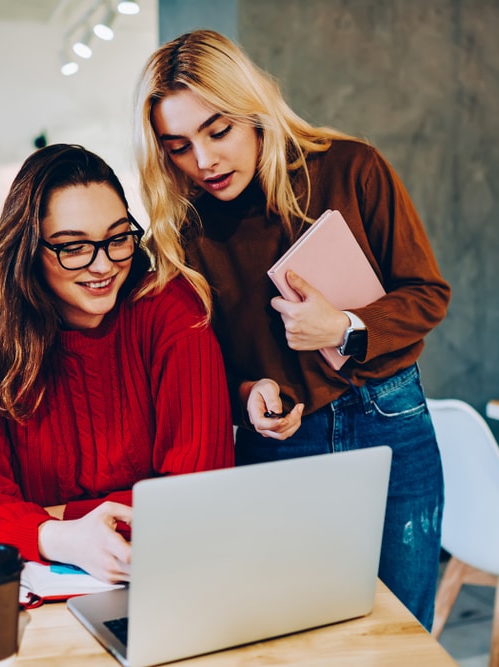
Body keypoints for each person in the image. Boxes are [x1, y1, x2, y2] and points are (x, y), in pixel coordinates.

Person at [133, 30, 451, 629]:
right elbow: (203, 364)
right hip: (278, 447)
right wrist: (247, 393)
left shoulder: (352, 167)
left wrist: (345, 325)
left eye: (217, 130)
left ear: (254, 111)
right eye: (177, 146)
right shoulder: (180, 233)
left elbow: (428, 294)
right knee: (292, 636)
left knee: (404, 636)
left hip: (391, 425)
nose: (203, 161)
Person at [0, 144, 234, 582]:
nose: (104, 264)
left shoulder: (170, 310)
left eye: (117, 238)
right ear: (30, 248)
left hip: (163, 571)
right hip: (39, 576)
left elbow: (195, 497)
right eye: (73, 247)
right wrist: (62, 537)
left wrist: (48, 515)